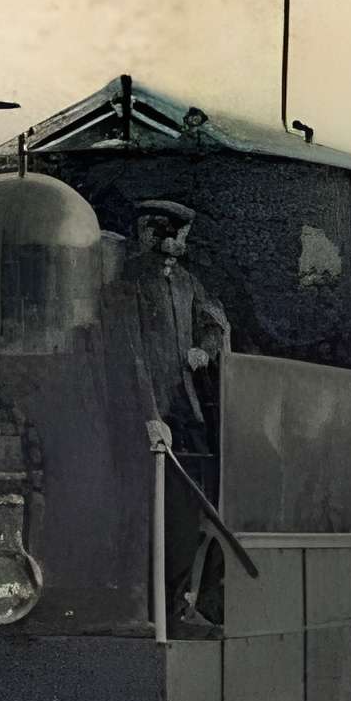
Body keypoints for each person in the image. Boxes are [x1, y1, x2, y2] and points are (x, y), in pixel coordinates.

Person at [121, 198, 233, 628]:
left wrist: (204, 350)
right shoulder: (132, 281)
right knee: (152, 515)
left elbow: (215, 323)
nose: (183, 243)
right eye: (180, 234)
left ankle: (174, 606)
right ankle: (151, 611)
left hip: (185, 415)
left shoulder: (186, 282)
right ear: (164, 235)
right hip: (147, 418)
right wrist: (150, 414)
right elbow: (130, 352)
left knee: (187, 516)